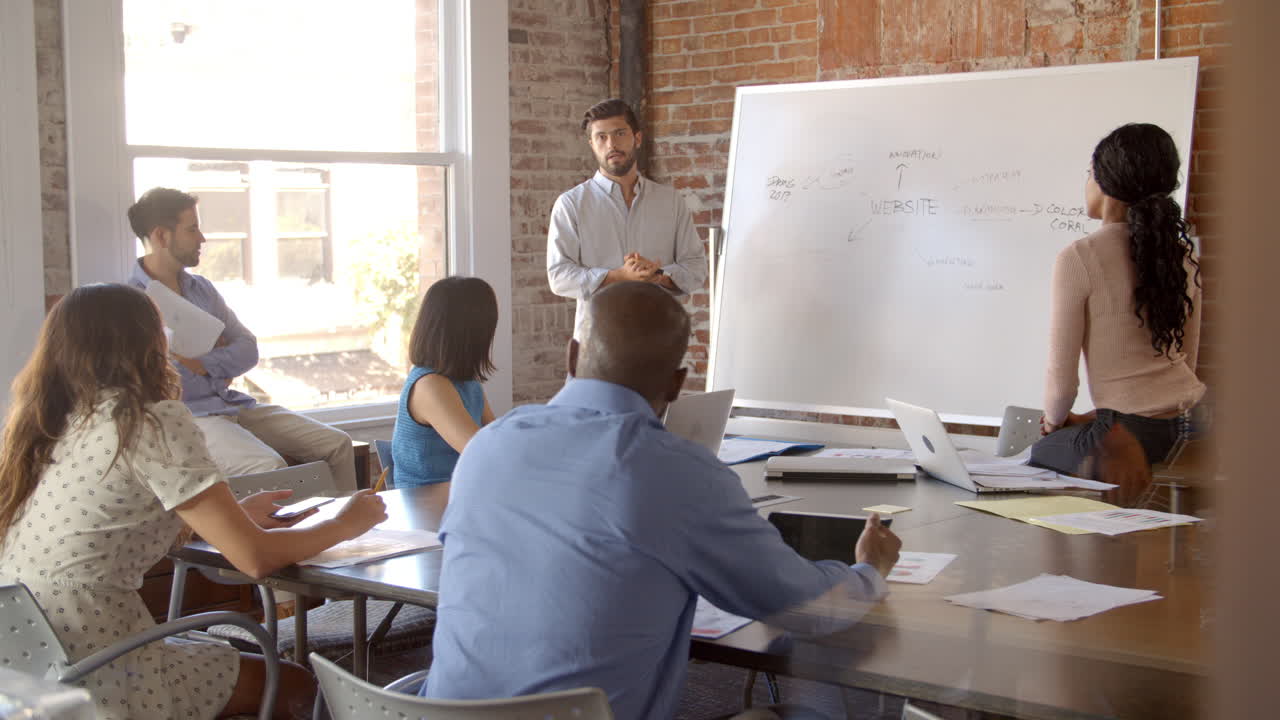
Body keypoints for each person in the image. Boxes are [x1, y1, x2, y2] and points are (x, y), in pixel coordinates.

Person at [422, 282, 901, 720]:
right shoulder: (674, 472)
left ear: (572, 355)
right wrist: (869, 570)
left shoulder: (488, 446)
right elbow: (805, 608)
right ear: (676, 383)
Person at [0, 284, 389, 720]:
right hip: (103, 662)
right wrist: (347, 522)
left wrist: (236, 516)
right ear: (147, 342)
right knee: (296, 684)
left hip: (31, 660)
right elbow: (256, 559)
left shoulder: (47, 425)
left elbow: (107, 526)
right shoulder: (147, 420)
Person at [126, 187, 358, 491]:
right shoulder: (131, 303)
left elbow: (248, 349)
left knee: (338, 444)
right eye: (192, 229)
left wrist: (202, 363)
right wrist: (216, 364)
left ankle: (348, 520)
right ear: (161, 236)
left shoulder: (202, 289)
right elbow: (160, 381)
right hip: (190, 418)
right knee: (269, 467)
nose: (202, 238)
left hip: (232, 403)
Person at [1031, 123, 1207, 499]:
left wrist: (1054, 424)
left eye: (1089, 173)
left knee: (1041, 453)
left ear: (1104, 181)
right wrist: (1090, 419)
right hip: (1195, 426)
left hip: (1129, 437)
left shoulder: (1080, 257)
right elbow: (1185, 363)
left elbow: (1061, 382)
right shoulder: (1182, 258)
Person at [546, 98, 708, 339]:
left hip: (659, 340)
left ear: (637, 138)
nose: (611, 144)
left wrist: (659, 275)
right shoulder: (571, 204)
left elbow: (696, 268)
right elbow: (559, 277)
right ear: (592, 144)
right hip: (597, 343)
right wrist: (618, 276)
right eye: (601, 137)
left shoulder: (670, 201)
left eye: (620, 133)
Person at [391, 276, 497, 489]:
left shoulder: (466, 381)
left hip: (460, 493)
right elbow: (482, 452)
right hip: (427, 502)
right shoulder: (430, 385)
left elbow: (496, 436)